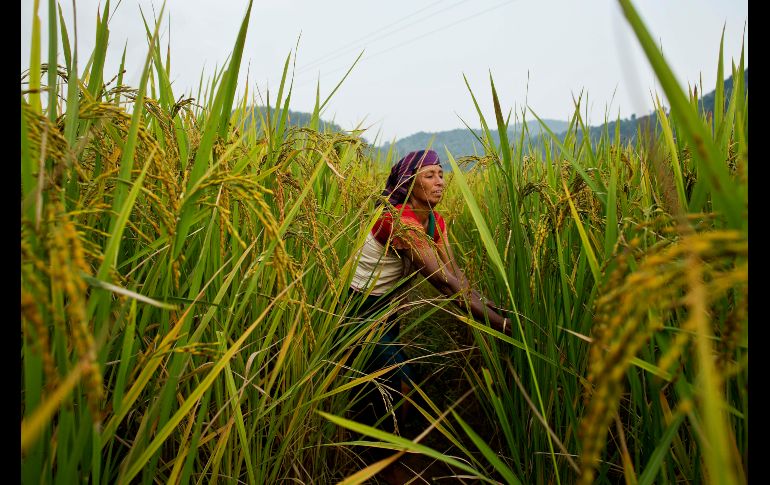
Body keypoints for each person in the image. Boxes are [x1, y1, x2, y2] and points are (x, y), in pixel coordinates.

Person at [345, 149, 510, 430]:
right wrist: (505, 327)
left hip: (389, 309)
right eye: (430, 175)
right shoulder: (395, 221)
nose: (440, 181)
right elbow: (443, 282)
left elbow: (457, 278)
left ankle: (384, 442)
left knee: (383, 377)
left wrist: (501, 313)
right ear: (409, 183)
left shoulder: (435, 222)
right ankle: (387, 460)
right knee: (399, 383)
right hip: (362, 310)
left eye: (442, 175)